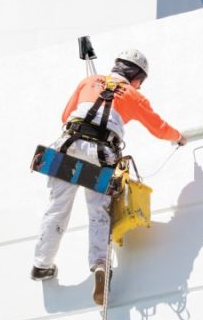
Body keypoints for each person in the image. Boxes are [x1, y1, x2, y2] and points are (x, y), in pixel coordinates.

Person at [32, 49, 186, 304]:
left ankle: (41, 264)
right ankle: (101, 266)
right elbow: (159, 128)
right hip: (102, 154)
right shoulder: (134, 96)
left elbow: (64, 116)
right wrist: (179, 138)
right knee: (99, 213)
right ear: (135, 76)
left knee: (57, 209)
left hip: (68, 146)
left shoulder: (88, 82)